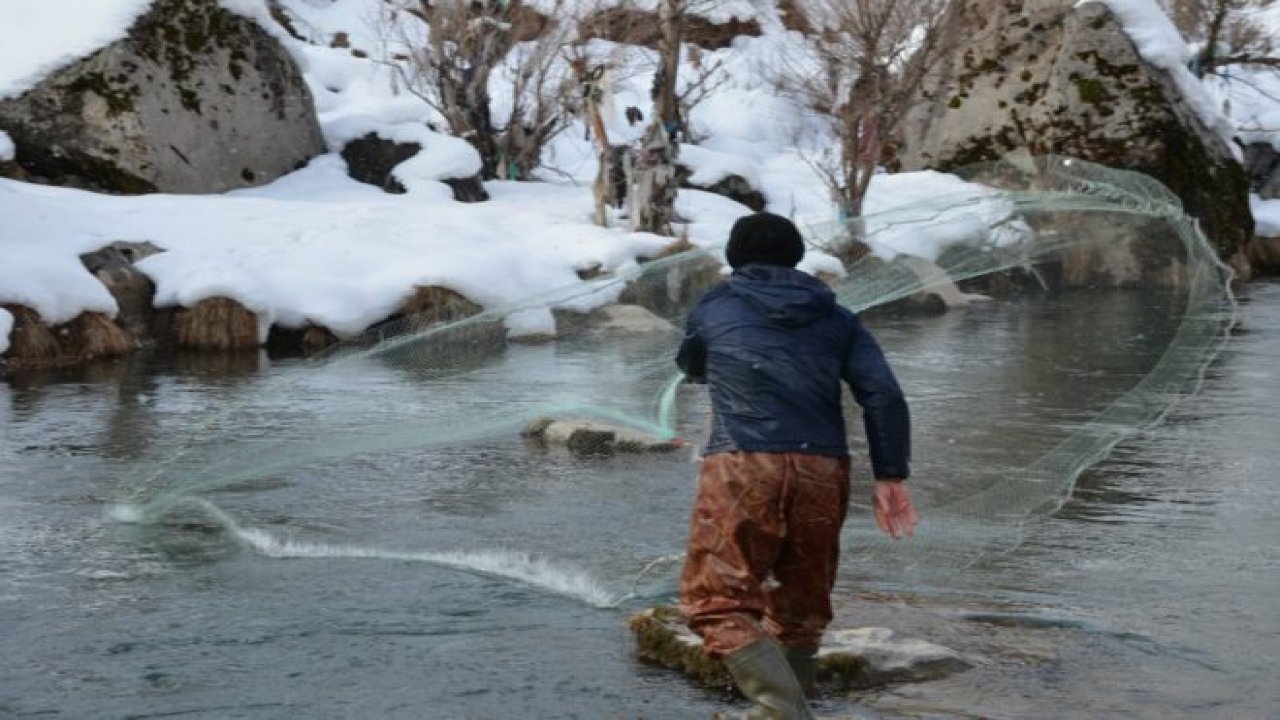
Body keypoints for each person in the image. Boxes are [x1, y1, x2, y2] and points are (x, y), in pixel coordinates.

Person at [675, 212, 917, 719]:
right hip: (822, 470)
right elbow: (883, 396)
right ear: (797, 257)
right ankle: (785, 710)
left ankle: (783, 712)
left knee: (715, 602)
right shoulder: (837, 316)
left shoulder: (716, 306)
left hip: (742, 462)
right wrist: (891, 475)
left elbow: (692, 363)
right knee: (802, 606)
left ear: (734, 258)